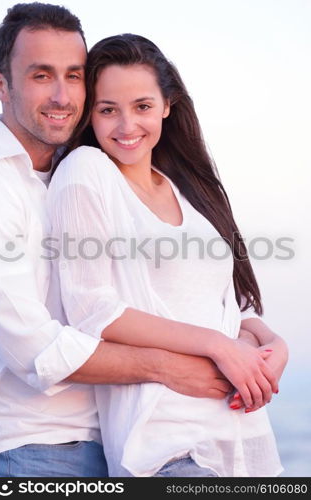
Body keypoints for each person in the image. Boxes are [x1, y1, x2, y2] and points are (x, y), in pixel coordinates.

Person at [0, 4, 237, 478]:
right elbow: (33, 349)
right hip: (35, 448)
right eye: (41, 75)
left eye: (74, 75)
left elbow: (169, 291)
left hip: (120, 443)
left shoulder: (86, 170)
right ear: (1, 84)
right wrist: (168, 367)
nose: (62, 95)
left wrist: (250, 336)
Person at [48, 33, 288, 477]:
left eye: (141, 106)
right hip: (166, 445)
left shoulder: (186, 188)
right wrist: (219, 347)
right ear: (90, 114)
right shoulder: (86, 171)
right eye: (107, 110)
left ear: (167, 105)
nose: (126, 126)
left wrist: (272, 343)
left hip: (241, 435)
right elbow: (92, 310)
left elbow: (227, 305)